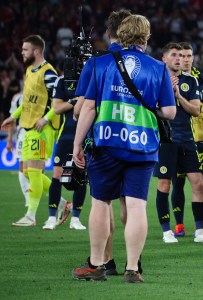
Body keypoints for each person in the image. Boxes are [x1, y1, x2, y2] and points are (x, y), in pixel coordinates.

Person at [70, 14, 176, 283]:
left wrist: (77, 143)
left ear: (119, 33)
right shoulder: (158, 67)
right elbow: (170, 112)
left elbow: (89, 108)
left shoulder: (101, 64)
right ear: (146, 37)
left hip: (107, 143)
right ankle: (132, 269)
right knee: (137, 206)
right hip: (143, 145)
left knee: (101, 202)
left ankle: (96, 265)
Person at [154, 42, 203, 244]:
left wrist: (178, 95)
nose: (179, 59)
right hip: (166, 140)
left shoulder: (191, 81)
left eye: (181, 55)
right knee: (164, 184)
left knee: (198, 184)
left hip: (187, 139)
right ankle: (167, 231)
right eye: (174, 55)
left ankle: (200, 231)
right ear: (164, 59)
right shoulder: (156, 78)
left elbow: (196, 110)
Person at [2, 35, 59, 226]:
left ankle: (31, 215)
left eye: (25, 50)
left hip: (42, 129)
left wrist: (46, 118)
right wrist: (14, 116)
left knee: (33, 171)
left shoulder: (48, 73)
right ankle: (62, 203)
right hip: (28, 127)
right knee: (26, 172)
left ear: (36, 51)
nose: (22, 53)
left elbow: (59, 101)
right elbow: (27, 101)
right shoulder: (29, 71)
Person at [170, 42, 203, 238]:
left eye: (188, 56)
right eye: (181, 56)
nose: (184, 59)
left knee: (200, 182)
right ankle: (179, 224)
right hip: (180, 136)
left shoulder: (200, 79)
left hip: (199, 137)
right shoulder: (170, 78)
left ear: (193, 58)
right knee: (177, 182)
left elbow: (202, 109)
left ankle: (200, 223)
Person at [43, 57, 88, 231]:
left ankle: (75, 218)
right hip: (66, 135)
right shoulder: (62, 81)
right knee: (57, 174)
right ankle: (51, 217)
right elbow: (56, 108)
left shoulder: (91, 79)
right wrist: (73, 101)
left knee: (81, 174)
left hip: (85, 134)